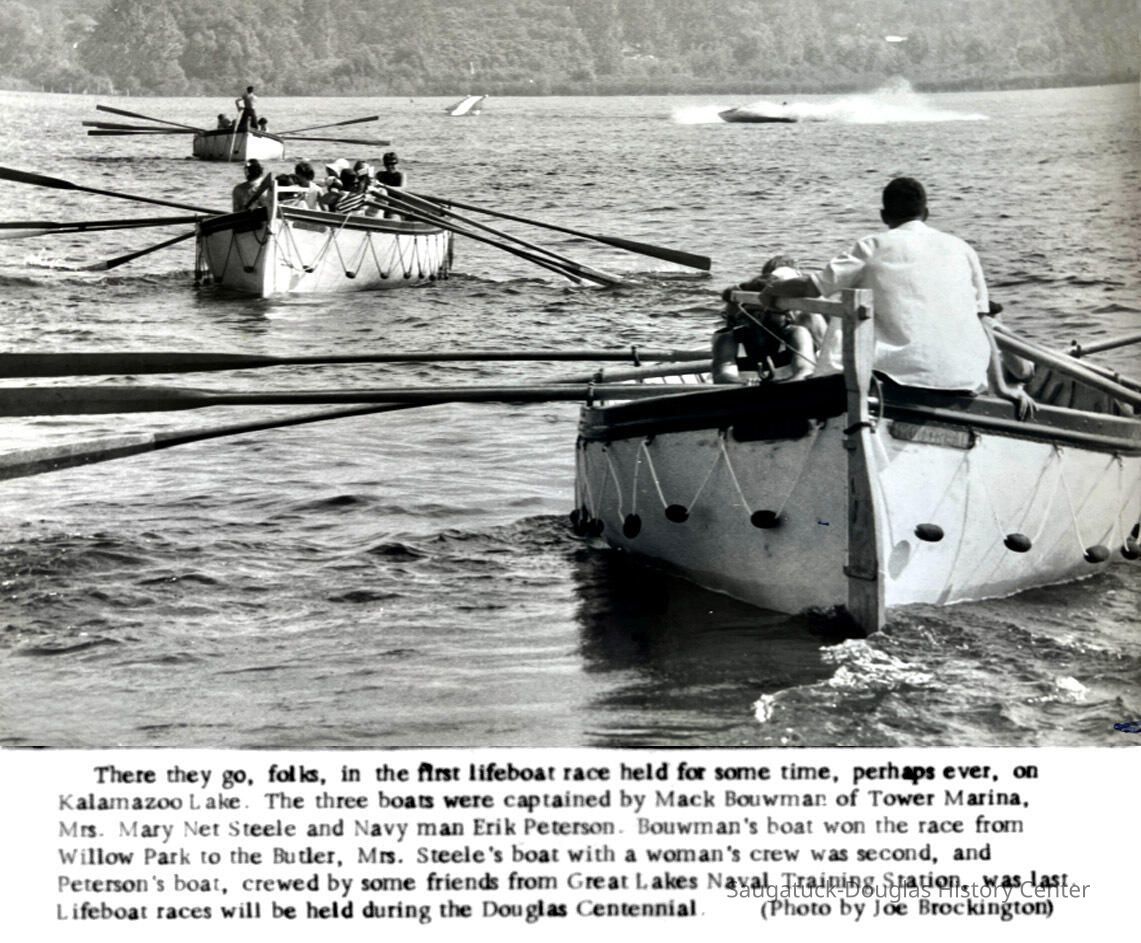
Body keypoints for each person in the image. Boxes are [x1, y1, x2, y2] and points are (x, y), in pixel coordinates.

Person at [760, 177, 1035, 418]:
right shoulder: (963, 249)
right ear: (926, 213)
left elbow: (811, 287)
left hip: (895, 379)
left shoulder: (871, 247)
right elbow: (983, 323)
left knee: (848, 309)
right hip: (963, 378)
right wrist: (1002, 389)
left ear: (883, 215)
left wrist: (771, 290)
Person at [712, 254, 826, 383]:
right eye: (782, 312)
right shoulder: (728, 340)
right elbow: (723, 376)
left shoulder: (796, 333)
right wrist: (748, 385)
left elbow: (805, 371)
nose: (789, 317)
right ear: (759, 315)